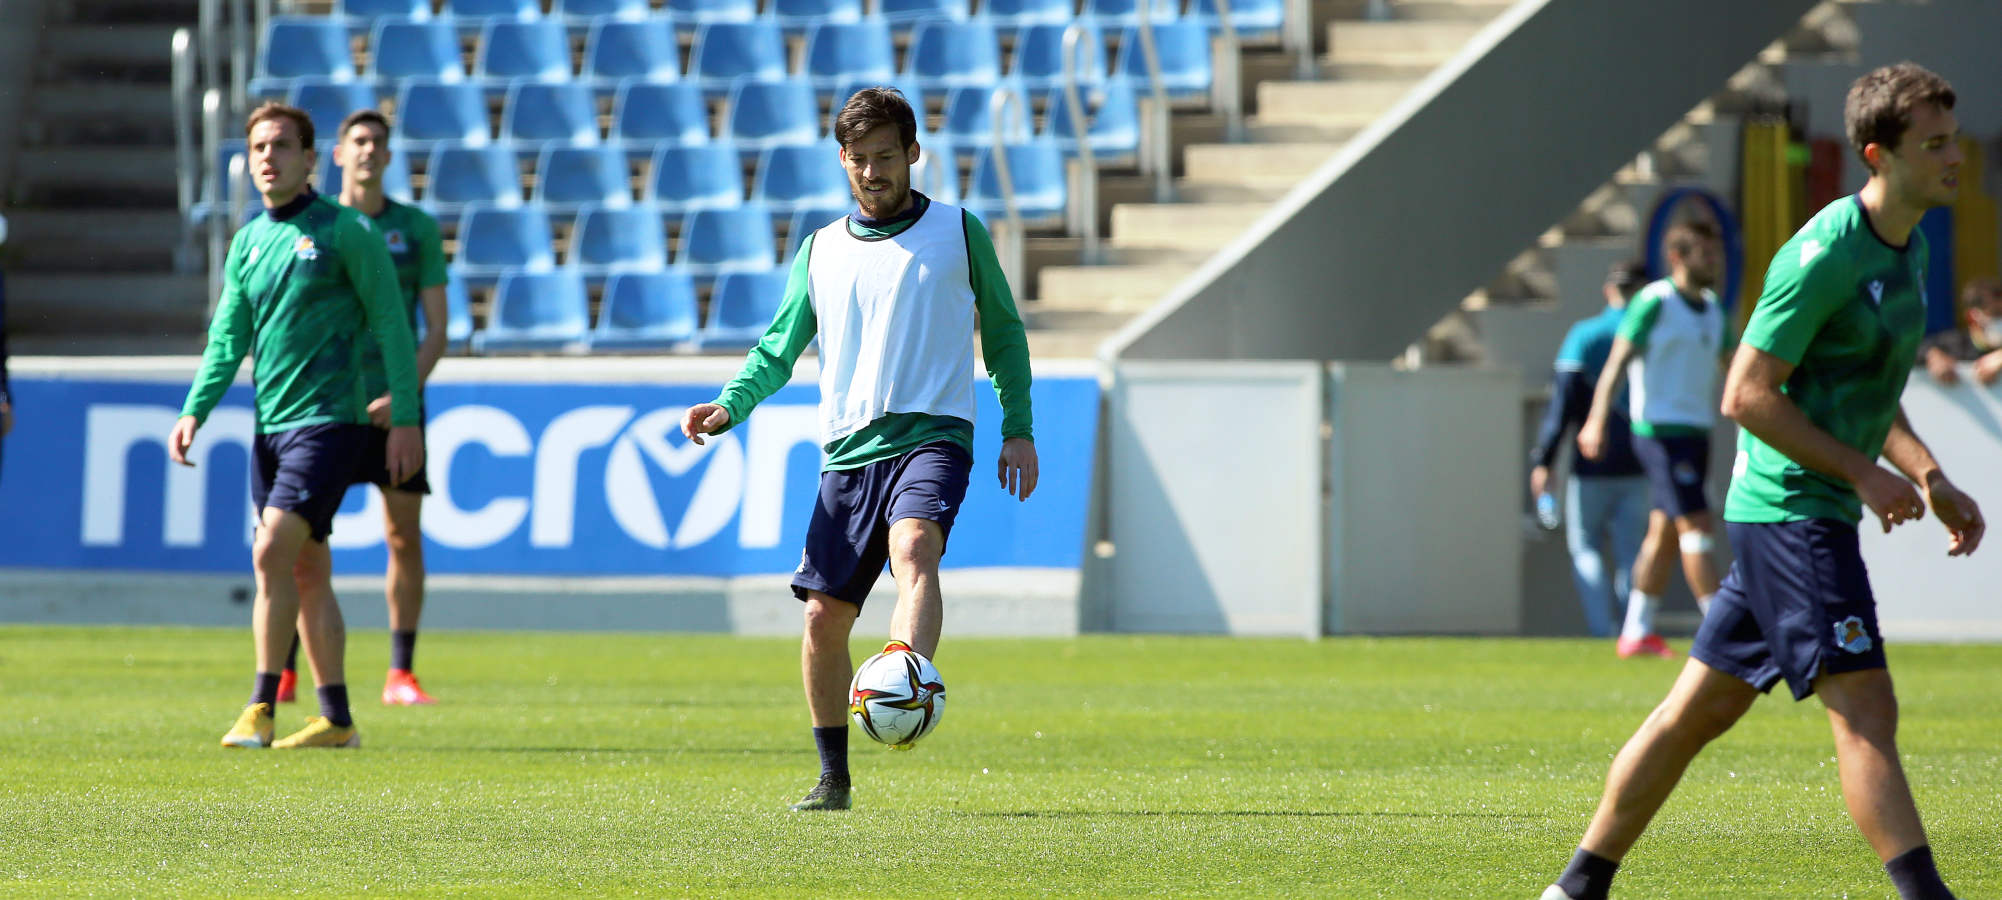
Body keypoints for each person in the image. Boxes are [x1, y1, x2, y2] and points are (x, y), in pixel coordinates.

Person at [1542, 62, 1982, 900]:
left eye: (1953, 139)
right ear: (1876, 154)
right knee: (1866, 712)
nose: (1954, 156)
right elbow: (1745, 396)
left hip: (1800, 512)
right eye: (1934, 145)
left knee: (1694, 714)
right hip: (1792, 513)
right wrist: (1859, 474)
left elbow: (1869, 394)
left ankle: (1573, 888)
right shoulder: (1823, 256)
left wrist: (1928, 476)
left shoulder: (1911, 245)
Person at [679, 87, 1037, 812]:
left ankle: (906, 680)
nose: (873, 172)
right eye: (859, 159)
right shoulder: (820, 249)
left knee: (914, 547)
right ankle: (833, 777)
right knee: (821, 619)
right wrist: (729, 405)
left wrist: (1018, 426)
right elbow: (777, 350)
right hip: (847, 451)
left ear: (913, 154)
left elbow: (1002, 333)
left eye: (885, 157)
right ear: (842, 160)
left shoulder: (959, 232)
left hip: (931, 433)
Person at [172, 102, 425, 750]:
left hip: (330, 422)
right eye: (259, 146)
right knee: (308, 569)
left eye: (282, 145)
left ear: (310, 160)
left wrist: (403, 415)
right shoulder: (251, 240)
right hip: (271, 425)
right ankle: (337, 719)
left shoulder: (347, 232)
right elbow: (228, 337)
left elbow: (395, 325)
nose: (267, 157)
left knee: (270, 551)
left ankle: (261, 704)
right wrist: (195, 408)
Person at [276, 108, 450, 707]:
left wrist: (403, 398)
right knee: (300, 540)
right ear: (339, 155)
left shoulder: (416, 229)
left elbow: (436, 330)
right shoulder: (317, 227)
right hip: (327, 402)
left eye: (378, 141)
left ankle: (401, 672)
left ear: (389, 155)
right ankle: (291, 667)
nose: (369, 150)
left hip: (395, 405)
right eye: (358, 141)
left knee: (403, 535)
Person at [1578, 221, 1730, 658]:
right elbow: (1616, 364)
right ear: (1678, 257)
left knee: (1663, 533)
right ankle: (1723, 630)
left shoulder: (1714, 309)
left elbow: (1732, 368)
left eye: (1715, 252)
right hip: (1660, 434)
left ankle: (1635, 631)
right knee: (1698, 526)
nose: (1714, 261)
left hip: (1697, 434)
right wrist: (1596, 420)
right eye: (1705, 253)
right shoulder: (1654, 302)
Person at [1528, 260, 1651, 639]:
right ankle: (1632, 632)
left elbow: (1561, 406)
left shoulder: (1585, 335)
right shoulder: (1652, 332)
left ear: (1608, 290)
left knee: (1586, 550)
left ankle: (1603, 631)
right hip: (1643, 464)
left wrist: (1544, 460)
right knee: (1633, 555)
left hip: (1590, 465)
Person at [1918, 276, 2002, 386]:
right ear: (1972, 316)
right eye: (1996, 313)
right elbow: (1912, 349)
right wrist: (1933, 356)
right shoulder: (1953, 343)